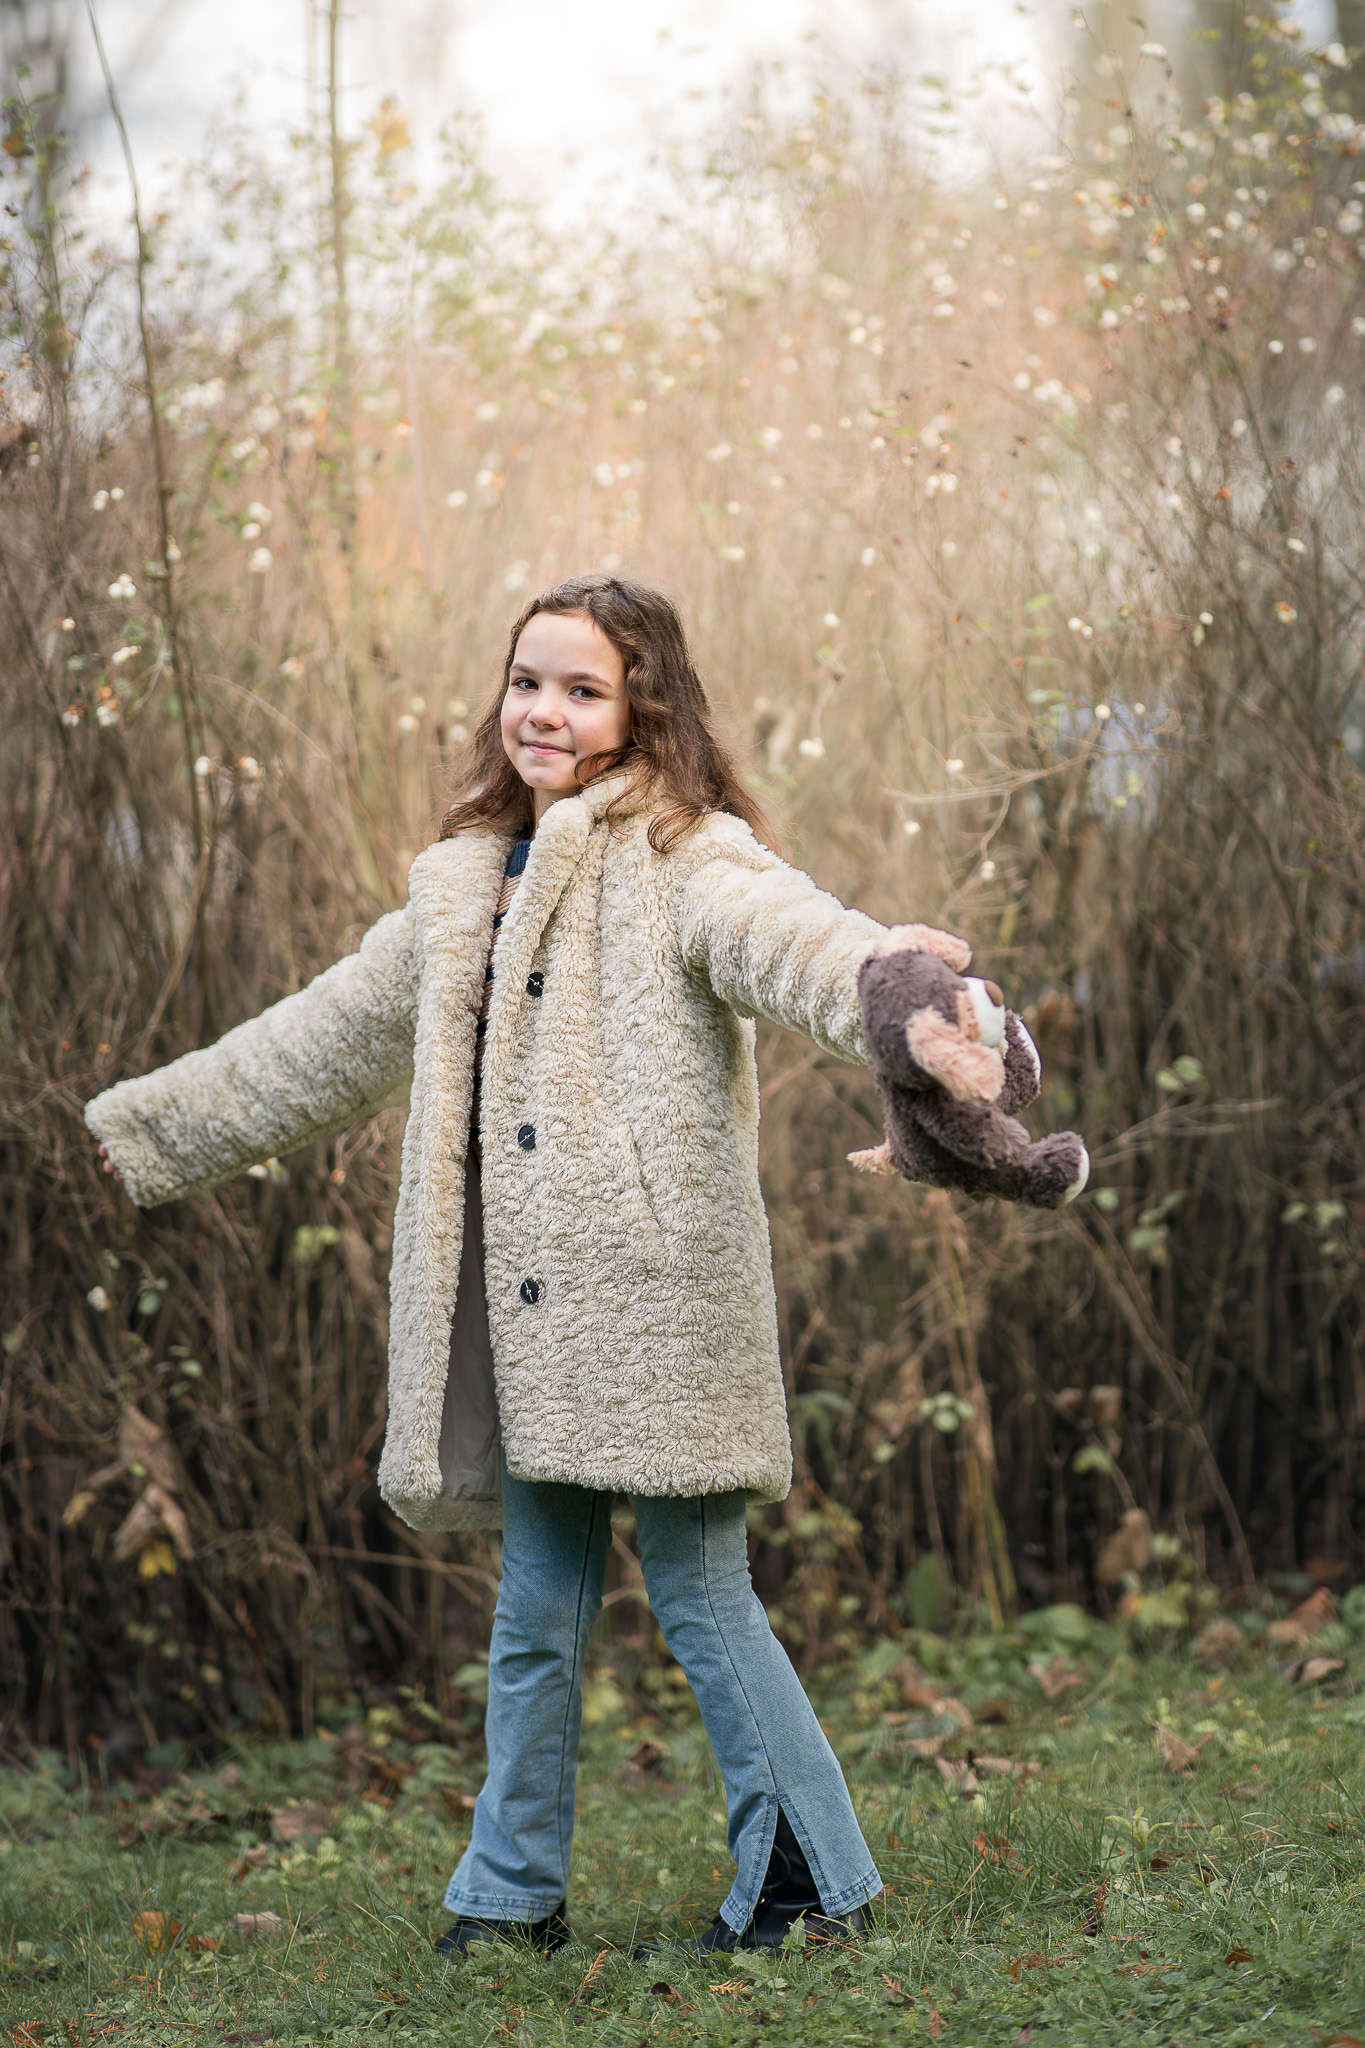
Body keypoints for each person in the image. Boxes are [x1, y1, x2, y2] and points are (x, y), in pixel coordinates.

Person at [87, 574, 963, 1957]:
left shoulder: (688, 853)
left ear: (643, 712)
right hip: (529, 1316)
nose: (543, 711)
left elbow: (790, 937)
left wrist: (897, 992)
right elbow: (320, 1039)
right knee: (534, 1611)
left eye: (582, 689)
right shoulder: (465, 885)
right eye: (526, 681)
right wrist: (150, 1132)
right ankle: (510, 1898)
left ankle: (811, 1876)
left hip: (659, 1304)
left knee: (700, 1591)